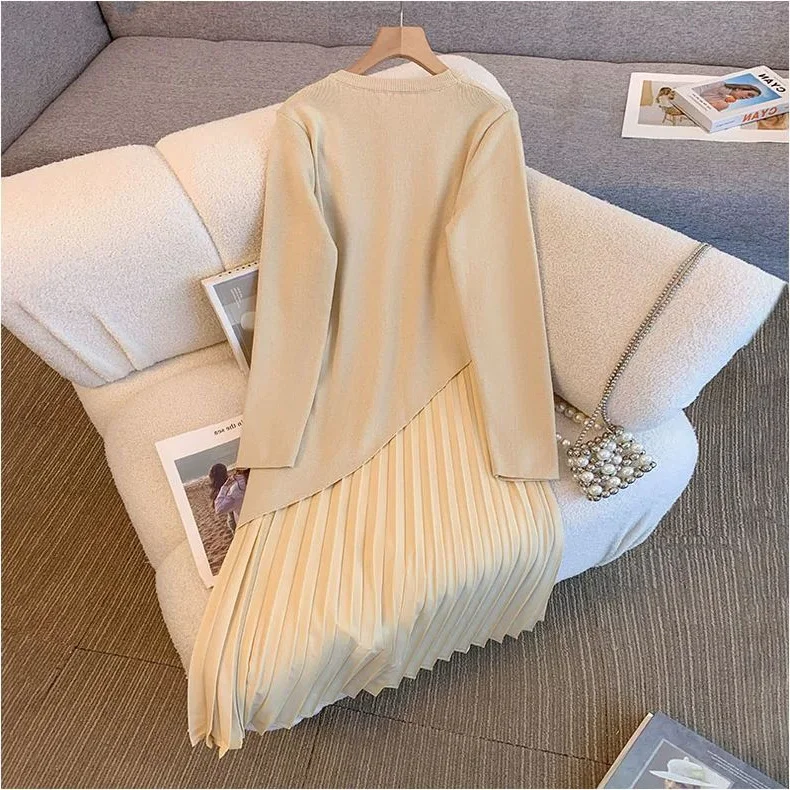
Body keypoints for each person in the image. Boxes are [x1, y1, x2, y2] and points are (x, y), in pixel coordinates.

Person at [212, 465, 249, 534]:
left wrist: (224, 487)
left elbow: (219, 509)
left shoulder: (234, 487)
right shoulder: (242, 482)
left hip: (238, 521)